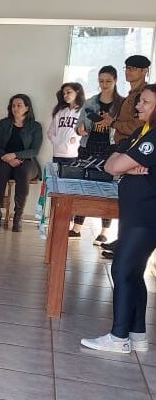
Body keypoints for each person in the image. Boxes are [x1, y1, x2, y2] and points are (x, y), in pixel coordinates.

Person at [81, 83, 156, 354]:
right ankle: (138, 335)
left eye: (145, 102)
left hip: (146, 216)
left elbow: (117, 165)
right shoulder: (142, 131)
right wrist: (124, 164)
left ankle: (118, 337)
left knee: (121, 269)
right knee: (134, 272)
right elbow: (112, 164)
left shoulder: (153, 137)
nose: (138, 106)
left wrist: (124, 165)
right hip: (135, 213)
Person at [100, 55, 150, 258]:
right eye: (127, 68)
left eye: (134, 69)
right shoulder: (130, 94)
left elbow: (137, 125)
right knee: (124, 195)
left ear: (145, 70)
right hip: (122, 144)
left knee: (131, 197)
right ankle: (122, 240)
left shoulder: (144, 95)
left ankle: (126, 243)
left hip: (135, 147)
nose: (129, 72)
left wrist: (113, 123)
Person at [71, 66, 124, 242]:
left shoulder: (122, 103)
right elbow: (79, 125)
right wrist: (80, 129)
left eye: (108, 81)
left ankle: (104, 231)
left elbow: (124, 128)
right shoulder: (90, 102)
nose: (104, 84)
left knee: (106, 188)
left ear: (115, 80)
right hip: (88, 146)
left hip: (110, 148)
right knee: (83, 184)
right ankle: (77, 227)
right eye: (101, 81)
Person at [0, 94, 43, 232]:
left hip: (27, 162)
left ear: (27, 108)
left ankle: (18, 217)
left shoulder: (35, 126)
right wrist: (7, 158)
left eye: (19, 105)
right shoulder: (3, 123)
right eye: (13, 105)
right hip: (4, 159)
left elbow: (34, 150)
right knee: (0, 171)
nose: (15, 108)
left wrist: (15, 155)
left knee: (23, 171)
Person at [46, 82, 85, 165]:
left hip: (74, 154)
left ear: (77, 92)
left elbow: (86, 131)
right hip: (57, 153)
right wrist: (57, 141)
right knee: (56, 177)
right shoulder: (60, 112)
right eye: (64, 93)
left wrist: (75, 139)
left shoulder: (83, 111)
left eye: (69, 92)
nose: (65, 95)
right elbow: (50, 132)